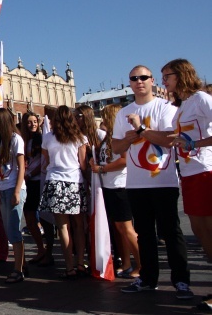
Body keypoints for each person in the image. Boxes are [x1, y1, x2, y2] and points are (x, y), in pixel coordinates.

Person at [112, 65, 192, 299]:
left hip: (163, 180)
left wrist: (140, 129)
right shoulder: (122, 112)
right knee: (144, 233)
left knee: (171, 231)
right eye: (134, 78)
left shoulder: (165, 107)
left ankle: (181, 281)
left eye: (143, 78)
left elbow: (169, 140)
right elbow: (116, 147)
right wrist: (129, 138)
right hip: (136, 183)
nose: (139, 82)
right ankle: (148, 278)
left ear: (152, 80)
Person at [161, 59, 212, 309]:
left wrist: (194, 145)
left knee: (209, 229)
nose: (164, 81)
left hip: (206, 170)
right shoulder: (180, 107)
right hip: (189, 173)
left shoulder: (202, 99)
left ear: (180, 75)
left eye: (166, 76)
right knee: (200, 230)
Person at [90, 104, 140, 278]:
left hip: (120, 185)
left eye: (105, 116)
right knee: (118, 227)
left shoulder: (120, 138)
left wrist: (102, 169)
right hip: (109, 186)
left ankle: (142, 264)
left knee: (127, 227)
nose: (102, 120)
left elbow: (124, 161)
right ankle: (126, 262)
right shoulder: (107, 139)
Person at [39, 105, 88, 279]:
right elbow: (83, 164)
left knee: (63, 227)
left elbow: (46, 160)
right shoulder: (80, 138)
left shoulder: (47, 138)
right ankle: (80, 262)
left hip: (55, 182)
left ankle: (69, 268)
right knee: (79, 225)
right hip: (75, 182)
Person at [0, 108, 27, 283]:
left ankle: (18, 270)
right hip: (3, 188)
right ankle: (22, 264)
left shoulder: (16, 139)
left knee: (13, 230)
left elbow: (21, 167)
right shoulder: (0, 141)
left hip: (14, 187)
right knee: (8, 229)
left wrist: (17, 190)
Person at [20, 112, 46, 264]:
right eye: (29, 122)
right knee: (29, 220)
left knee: (41, 218)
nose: (33, 124)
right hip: (27, 182)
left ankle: (45, 251)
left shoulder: (41, 139)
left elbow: (43, 162)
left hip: (37, 181)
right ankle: (41, 249)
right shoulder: (23, 141)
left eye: (35, 121)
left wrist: (29, 174)